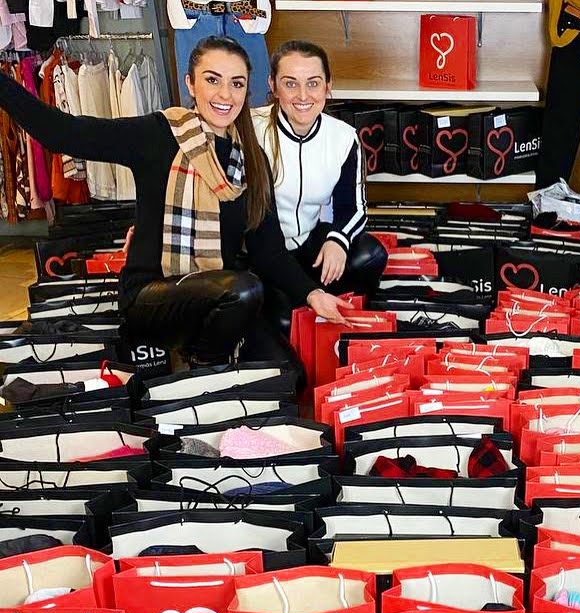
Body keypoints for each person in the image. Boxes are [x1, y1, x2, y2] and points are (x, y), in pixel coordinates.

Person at [0, 35, 348, 368]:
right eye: (212, 80)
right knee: (243, 289)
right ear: (190, 84)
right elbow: (63, 134)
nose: (225, 94)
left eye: (237, 83)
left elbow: (267, 250)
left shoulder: (251, 160)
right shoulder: (158, 134)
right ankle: (203, 369)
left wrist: (313, 294)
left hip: (220, 298)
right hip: (154, 296)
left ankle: (208, 356)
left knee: (289, 376)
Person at [253, 40, 387, 297]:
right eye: (290, 84)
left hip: (308, 242)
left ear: (328, 86)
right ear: (273, 86)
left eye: (313, 83)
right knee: (279, 311)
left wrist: (338, 240)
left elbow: (353, 207)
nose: (303, 96)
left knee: (371, 254)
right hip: (263, 255)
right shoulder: (252, 130)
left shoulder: (344, 137)